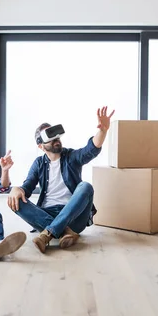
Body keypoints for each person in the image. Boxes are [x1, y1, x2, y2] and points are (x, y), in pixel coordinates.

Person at [7, 106, 115, 253]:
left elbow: (90, 149)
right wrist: (16, 189)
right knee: (15, 200)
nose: (56, 139)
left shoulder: (71, 157)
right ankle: (65, 232)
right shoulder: (38, 163)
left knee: (86, 187)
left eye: (56, 135)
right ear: (40, 146)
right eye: (50, 138)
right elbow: (27, 187)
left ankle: (48, 234)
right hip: (45, 215)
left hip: (74, 216)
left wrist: (103, 131)